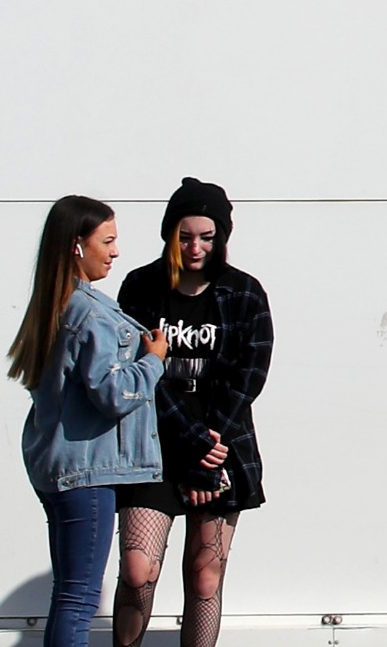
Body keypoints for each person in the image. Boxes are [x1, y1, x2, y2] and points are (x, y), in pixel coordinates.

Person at [115, 179, 273, 647]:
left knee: (206, 577)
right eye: (185, 236)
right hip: (155, 443)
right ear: (170, 234)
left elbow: (250, 374)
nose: (196, 247)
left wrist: (210, 446)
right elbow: (132, 372)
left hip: (222, 446)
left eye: (207, 236)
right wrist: (190, 443)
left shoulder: (244, 293)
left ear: (222, 237)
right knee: (138, 571)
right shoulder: (142, 287)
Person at [16, 198, 171, 647]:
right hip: (87, 473)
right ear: (76, 247)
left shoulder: (56, 304)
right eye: (107, 241)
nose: (116, 251)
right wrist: (154, 360)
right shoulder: (91, 314)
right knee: (80, 599)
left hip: (59, 466)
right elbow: (113, 394)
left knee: (68, 594)